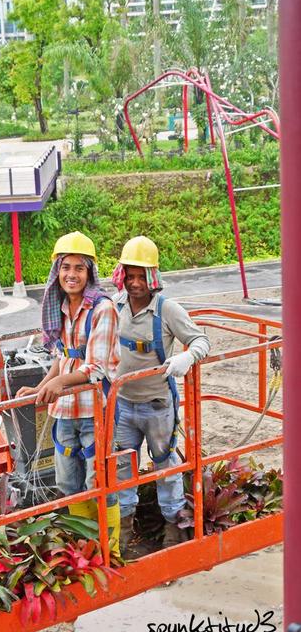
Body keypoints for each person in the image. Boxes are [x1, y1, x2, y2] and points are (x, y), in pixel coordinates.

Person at [17, 231, 121, 554]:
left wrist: (59, 385)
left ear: (89, 273)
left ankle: (110, 547)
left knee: (99, 483)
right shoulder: (62, 308)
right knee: (67, 483)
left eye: (79, 268)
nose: (71, 275)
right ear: (57, 273)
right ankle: (84, 544)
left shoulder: (101, 310)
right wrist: (42, 384)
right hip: (66, 413)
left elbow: (96, 369)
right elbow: (65, 356)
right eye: (65, 268)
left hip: (95, 411)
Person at [112, 235, 210, 557]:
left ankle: (172, 528)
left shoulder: (168, 310)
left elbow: (200, 340)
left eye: (142, 276)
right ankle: (125, 529)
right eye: (131, 276)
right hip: (122, 405)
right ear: (122, 275)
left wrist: (187, 357)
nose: (136, 283)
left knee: (165, 466)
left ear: (153, 277)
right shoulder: (115, 307)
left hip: (157, 407)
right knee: (122, 468)